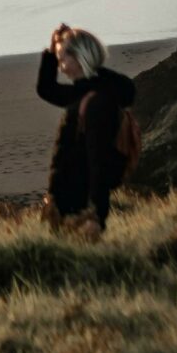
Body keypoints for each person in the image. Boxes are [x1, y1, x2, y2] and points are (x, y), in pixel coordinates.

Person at [36, 23, 137, 237]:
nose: (61, 65)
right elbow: (46, 89)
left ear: (80, 57)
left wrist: (96, 215)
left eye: (63, 58)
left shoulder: (96, 101)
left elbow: (98, 159)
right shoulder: (84, 92)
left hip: (78, 203)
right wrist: (53, 48)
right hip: (67, 198)